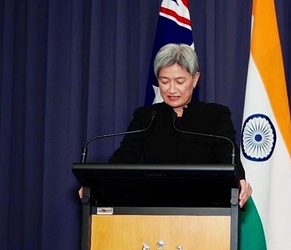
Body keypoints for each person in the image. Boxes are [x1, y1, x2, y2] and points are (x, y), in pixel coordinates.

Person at [104, 43, 252, 207]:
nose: (172, 89)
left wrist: (239, 179)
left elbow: (228, 154)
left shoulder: (215, 116)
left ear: (195, 79)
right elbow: (124, 158)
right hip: (153, 209)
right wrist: (97, 184)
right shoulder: (146, 117)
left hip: (206, 211)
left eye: (180, 81)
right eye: (165, 81)